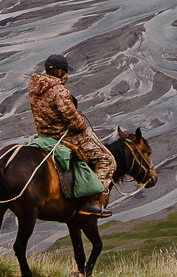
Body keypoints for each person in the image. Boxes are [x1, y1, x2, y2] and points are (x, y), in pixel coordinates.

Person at [26, 54, 117, 209]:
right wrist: (82, 124)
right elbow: (73, 121)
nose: (66, 74)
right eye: (65, 71)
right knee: (107, 160)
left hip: (43, 135)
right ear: (60, 72)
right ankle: (92, 199)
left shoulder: (34, 87)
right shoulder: (59, 91)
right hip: (64, 136)